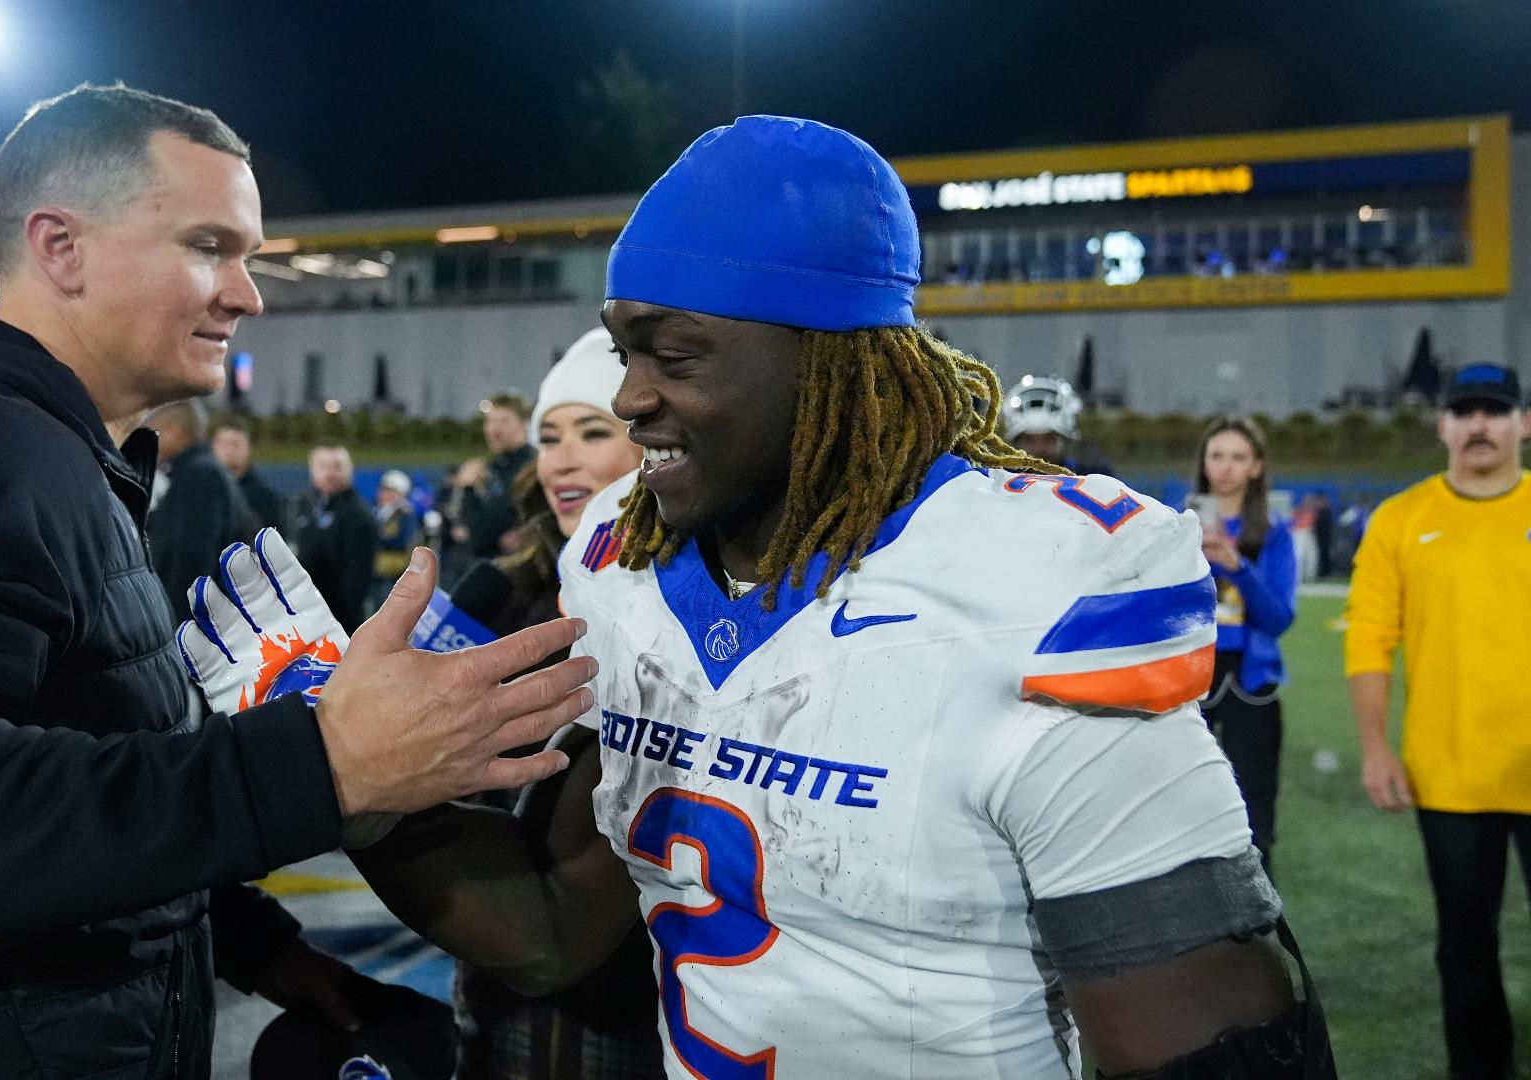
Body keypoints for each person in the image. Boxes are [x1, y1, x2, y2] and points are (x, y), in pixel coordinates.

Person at [185, 117, 1331, 1078]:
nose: (630, 398)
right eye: (622, 351)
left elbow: (1206, 1028)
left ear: (830, 362)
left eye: (672, 355)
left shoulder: (1030, 587)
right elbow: (547, 937)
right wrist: (352, 776)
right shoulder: (621, 574)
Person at [0, 83, 594, 1078]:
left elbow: (55, 778)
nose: (247, 293)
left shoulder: (40, 454)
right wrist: (322, 758)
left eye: (248, 256)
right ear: (60, 247)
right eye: (208, 246)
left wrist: (252, 946)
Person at [450, 327, 664, 1080]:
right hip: (495, 983)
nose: (562, 461)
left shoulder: (691, 607)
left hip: (630, 1002)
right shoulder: (506, 597)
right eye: (549, 436)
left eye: (592, 432)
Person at [1346, 361, 1531, 1080]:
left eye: (1495, 410)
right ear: (1444, 425)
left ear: (1523, 423)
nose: (1480, 424)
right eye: (1467, 411)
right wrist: (1373, 748)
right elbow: (1369, 637)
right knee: (1464, 944)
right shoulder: (1401, 519)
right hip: (1448, 773)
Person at [1191, 416, 1297, 874]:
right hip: (1189, 683)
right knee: (1182, 811)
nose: (1226, 468)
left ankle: (1258, 932)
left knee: (1254, 820)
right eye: (1217, 455)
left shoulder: (1273, 535)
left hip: (1253, 685)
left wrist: (1236, 566)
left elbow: (1277, 620)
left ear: (1256, 467)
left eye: (1238, 457)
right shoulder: (1176, 524)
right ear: (1204, 463)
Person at [145, 397, 254, 610]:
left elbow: (192, 563)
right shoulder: (199, 471)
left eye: (154, 430)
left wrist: (178, 628)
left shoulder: (199, 476)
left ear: (175, 431)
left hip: (199, 628)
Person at [293, 444, 378, 632]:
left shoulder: (360, 516)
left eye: (337, 466)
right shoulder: (304, 505)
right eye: (323, 466)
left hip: (339, 625)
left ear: (350, 470)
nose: (330, 473)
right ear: (311, 470)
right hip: (303, 620)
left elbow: (357, 584)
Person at [459, 392, 537, 558]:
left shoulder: (530, 467)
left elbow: (481, 534)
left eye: (504, 421)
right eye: (490, 421)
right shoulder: (496, 467)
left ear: (524, 426)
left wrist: (469, 488)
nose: (494, 430)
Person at [1001, 374, 1115, 474]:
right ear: (1016, 442)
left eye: (1049, 439)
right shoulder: (998, 481)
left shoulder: (1091, 480)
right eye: (1029, 440)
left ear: (1064, 440)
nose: (1040, 449)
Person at [211, 413, 284, 530]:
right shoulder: (204, 490)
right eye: (223, 444)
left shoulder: (265, 497)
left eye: (235, 444)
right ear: (213, 447)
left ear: (248, 448)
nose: (229, 451)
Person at [373, 468, 419, 600]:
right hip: (377, 571)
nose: (384, 494)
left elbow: (401, 540)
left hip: (393, 572)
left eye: (390, 491)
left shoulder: (405, 513)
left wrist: (375, 539)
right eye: (383, 490)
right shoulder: (379, 512)